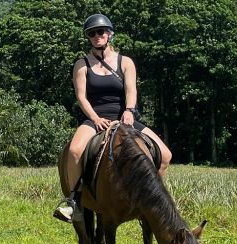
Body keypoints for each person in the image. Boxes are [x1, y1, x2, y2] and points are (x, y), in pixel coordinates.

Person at [54, 13, 172, 222]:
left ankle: (150, 200)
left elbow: (131, 90)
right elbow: (81, 97)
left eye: (101, 32)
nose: (97, 36)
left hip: (124, 116)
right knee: (74, 151)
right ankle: (74, 202)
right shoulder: (82, 64)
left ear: (110, 34)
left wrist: (129, 110)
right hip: (96, 118)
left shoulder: (125, 62)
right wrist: (95, 118)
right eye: (92, 34)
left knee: (165, 155)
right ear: (88, 38)